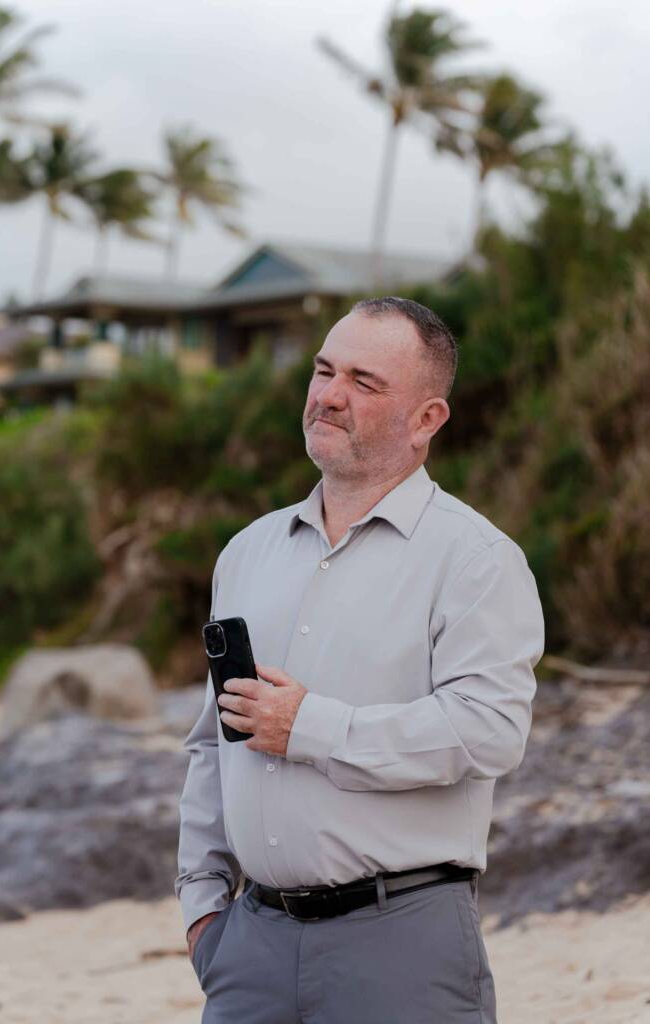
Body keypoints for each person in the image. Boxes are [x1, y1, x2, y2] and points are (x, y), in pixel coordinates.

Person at [175, 296, 545, 1023]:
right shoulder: (246, 553)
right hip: (247, 948)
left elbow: (489, 731)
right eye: (322, 370)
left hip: (401, 946)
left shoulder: (475, 561)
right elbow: (209, 745)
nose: (328, 396)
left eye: (363, 382)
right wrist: (202, 908)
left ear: (426, 419)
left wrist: (311, 727)